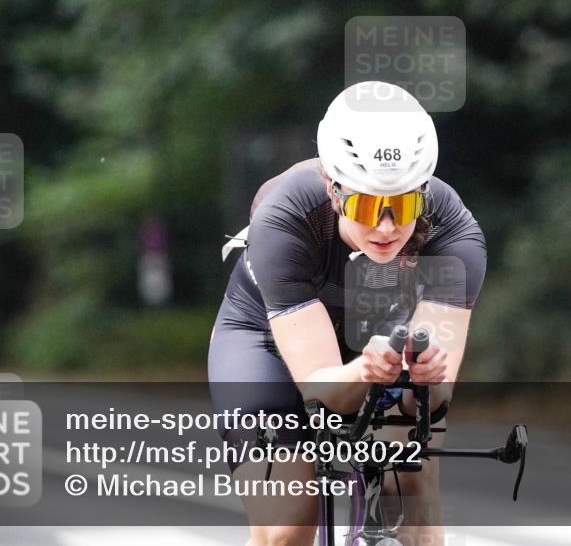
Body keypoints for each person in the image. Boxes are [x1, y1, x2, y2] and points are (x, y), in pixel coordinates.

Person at [208, 81, 487, 546]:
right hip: (264, 341)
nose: (386, 227)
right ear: (335, 192)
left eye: (402, 206)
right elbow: (323, 390)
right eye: (365, 205)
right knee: (289, 518)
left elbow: (429, 404)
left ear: (422, 194)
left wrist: (426, 378)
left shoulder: (455, 236)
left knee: (412, 489)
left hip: (382, 341)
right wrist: (362, 369)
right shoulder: (284, 218)